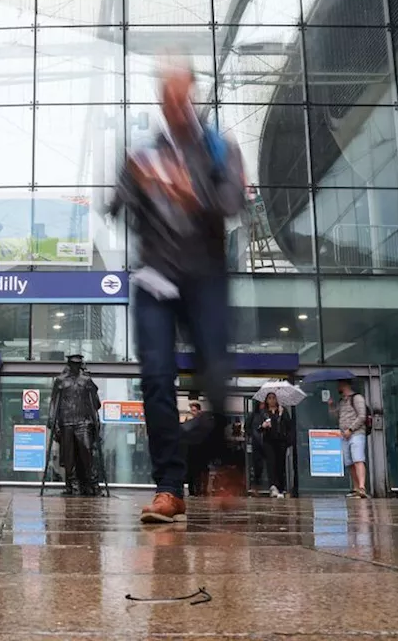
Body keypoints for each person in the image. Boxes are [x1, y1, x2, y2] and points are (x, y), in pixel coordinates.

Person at [105, 64, 247, 523]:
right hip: (155, 279)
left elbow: (232, 204)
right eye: (166, 92)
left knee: (216, 374)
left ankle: (220, 461)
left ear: (193, 94)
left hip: (204, 276)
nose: (174, 99)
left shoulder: (220, 149)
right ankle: (169, 487)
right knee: (157, 380)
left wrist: (189, 191)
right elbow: (116, 207)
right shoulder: (147, 154)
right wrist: (133, 179)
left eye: (180, 90)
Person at [329, 380, 369, 499]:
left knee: (358, 459)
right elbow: (337, 417)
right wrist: (331, 406)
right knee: (349, 462)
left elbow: (362, 416)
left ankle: (362, 487)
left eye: (340, 384)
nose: (338, 387)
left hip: (356, 433)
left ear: (345, 385)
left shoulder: (357, 398)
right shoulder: (342, 401)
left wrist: (351, 429)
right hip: (344, 435)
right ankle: (356, 488)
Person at [251, 392, 291, 498]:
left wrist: (281, 415)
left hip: (281, 441)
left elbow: (288, 426)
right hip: (269, 441)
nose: (272, 400)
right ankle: (273, 486)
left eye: (274, 398)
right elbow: (258, 428)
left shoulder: (283, 411)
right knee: (271, 463)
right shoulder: (264, 412)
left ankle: (281, 488)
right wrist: (263, 425)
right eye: (270, 398)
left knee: (280, 464)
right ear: (266, 400)